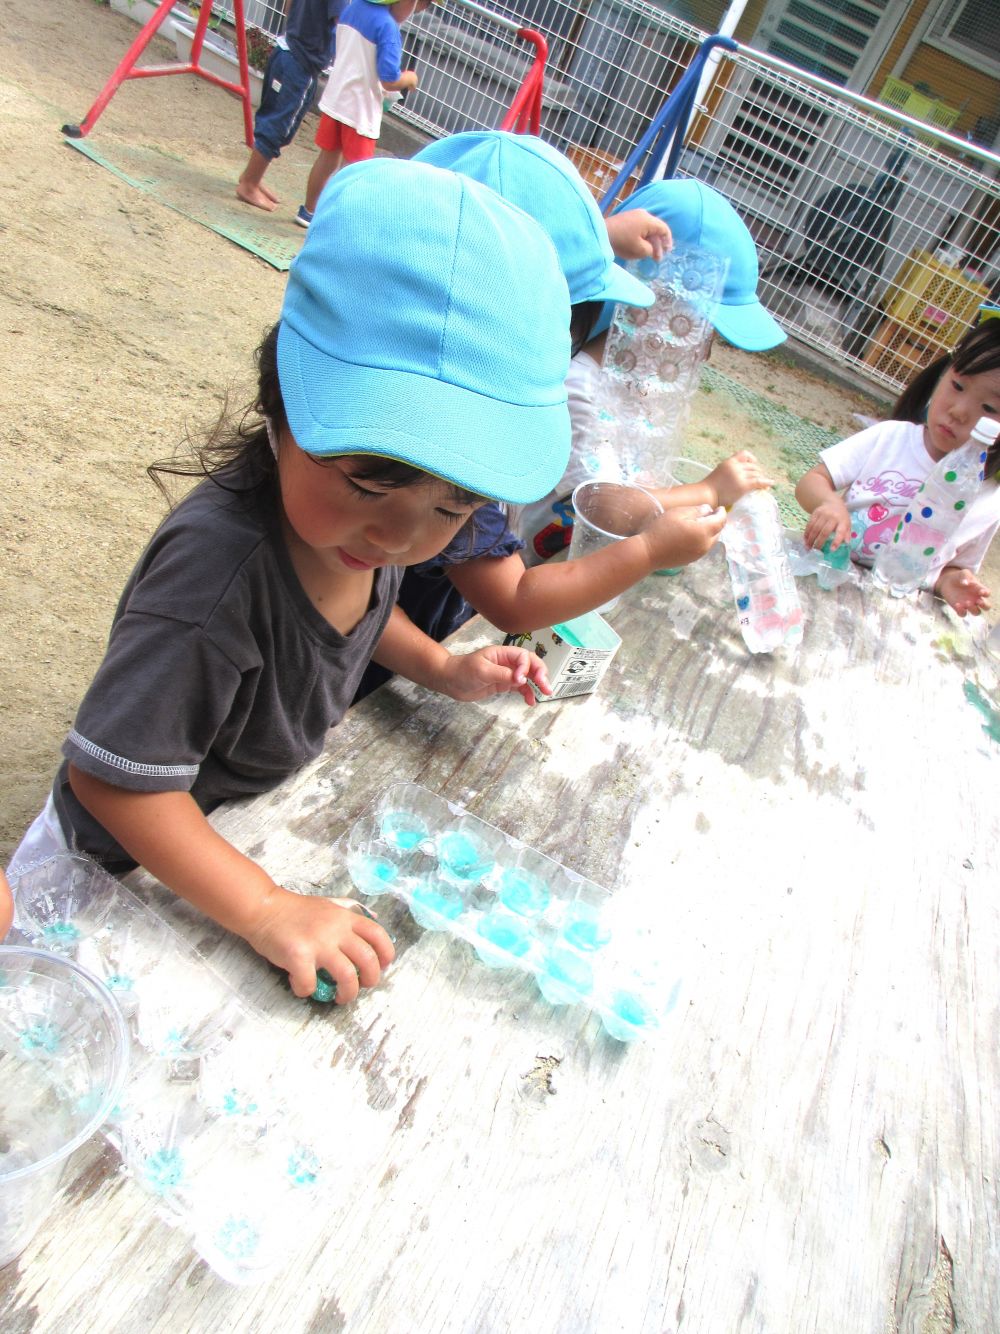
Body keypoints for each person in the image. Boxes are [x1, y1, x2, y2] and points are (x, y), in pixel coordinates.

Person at [7, 159, 574, 1001]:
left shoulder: (349, 542)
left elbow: (355, 616)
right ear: (281, 399)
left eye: (453, 509)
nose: (399, 538)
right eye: (368, 483)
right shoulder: (216, 578)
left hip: (238, 826)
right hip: (117, 875)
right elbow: (112, 782)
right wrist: (266, 907)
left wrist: (444, 667)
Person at [354, 133, 758, 699]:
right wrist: (648, 550)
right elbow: (513, 597)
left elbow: (355, 602)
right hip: (365, 682)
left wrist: (601, 239)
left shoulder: (409, 404)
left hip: (413, 648)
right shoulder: (449, 458)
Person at [515, 173, 784, 568]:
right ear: (653, 312)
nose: (705, 355)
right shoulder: (578, 389)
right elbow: (606, 508)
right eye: (700, 333)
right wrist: (709, 490)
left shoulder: (636, 393)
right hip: (530, 580)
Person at [795, 318, 1000, 616]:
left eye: (990, 409)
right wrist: (829, 504)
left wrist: (954, 583)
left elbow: (953, 566)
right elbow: (812, 480)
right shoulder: (890, 438)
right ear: (941, 374)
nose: (958, 411)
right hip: (824, 577)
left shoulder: (989, 499)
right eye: (957, 385)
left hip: (892, 613)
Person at [295, 0, 427, 226]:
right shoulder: (388, 27)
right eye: (418, 5)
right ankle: (336, 224)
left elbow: (338, 45)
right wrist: (410, 78)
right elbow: (389, 79)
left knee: (327, 158)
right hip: (361, 110)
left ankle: (308, 210)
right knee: (355, 172)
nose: (415, 12)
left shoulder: (353, 8)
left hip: (336, 97)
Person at [236, 0, 342, 212]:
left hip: (286, 49)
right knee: (279, 126)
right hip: (301, 62)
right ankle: (249, 183)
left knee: (274, 118)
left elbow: (288, 6)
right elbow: (345, 27)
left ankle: (251, 177)